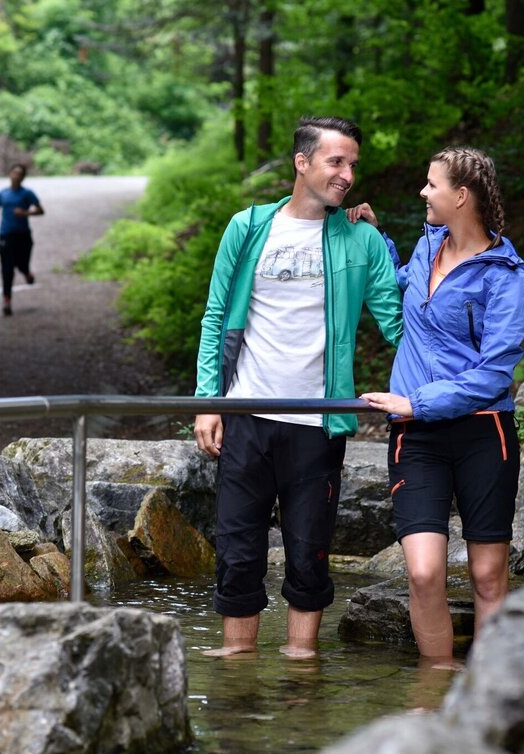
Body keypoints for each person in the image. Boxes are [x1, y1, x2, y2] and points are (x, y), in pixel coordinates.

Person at [193, 116, 403, 658]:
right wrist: (208, 403)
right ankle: (237, 668)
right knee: (237, 553)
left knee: (309, 554)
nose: (347, 174)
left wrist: (389, 243)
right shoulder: (247, 227)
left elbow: (400, 323)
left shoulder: (361, 238)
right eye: (336, 161)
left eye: (353, 164)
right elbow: (216, 317)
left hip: (318, 421)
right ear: (302, 162)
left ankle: (301, 672)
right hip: (246, 414)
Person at [354, 146, 524, 662]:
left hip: (484, 432)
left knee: (487, 575)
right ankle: (434, 689)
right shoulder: (428, 245)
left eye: (432, 184)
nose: (423, 192)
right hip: (417, 437)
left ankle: (486, 689)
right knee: (423, 572)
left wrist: (417, 402)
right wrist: (376, 238)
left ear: (460, 196)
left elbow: (494, 374)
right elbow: (402, 283)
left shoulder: (508, 278)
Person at [0, 164, 44, 316]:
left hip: (23, 235)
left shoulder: (27, 194)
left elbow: (40, 210)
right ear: (9, 174)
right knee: (7, 267)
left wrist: (25, 213)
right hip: (6, 234)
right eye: (14, 172)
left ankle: (26, 272)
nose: (16, 176)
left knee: (22, 263)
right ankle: (7, 300)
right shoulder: (2, 194)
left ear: (23, 177)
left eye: (20, 174)